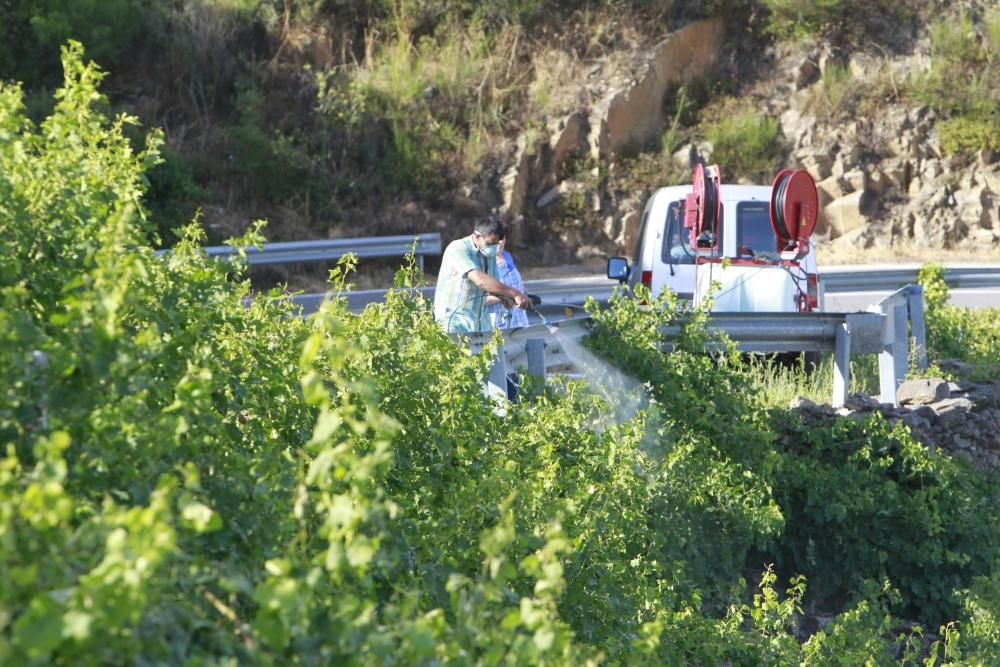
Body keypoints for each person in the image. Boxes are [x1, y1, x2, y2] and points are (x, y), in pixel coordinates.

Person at [434, 216, 533, 333]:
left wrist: (506, 297)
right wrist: (514, 293)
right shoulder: (458, 249)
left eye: (496, 244)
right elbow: (481, 280)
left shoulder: (488, 253)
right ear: (477, 236)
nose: (494, 248)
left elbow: (493, 286)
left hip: (480, 323)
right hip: (454, 322)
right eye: (490, 243)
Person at [489, 233, 530, 330]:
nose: (499, 242)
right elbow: (481, 298)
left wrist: (524, 293)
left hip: (520, 320)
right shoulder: (483, 263)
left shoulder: (507, 256)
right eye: (495, 238)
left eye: (502, 238)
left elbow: (514, 282)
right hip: (500, 325)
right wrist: (505, 297)